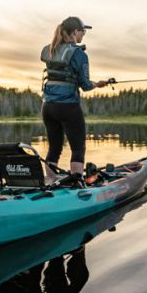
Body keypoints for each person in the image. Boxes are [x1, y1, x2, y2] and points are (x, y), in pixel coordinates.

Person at [40, 16, 109, 184]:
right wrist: (98, 85)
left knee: (54, 147)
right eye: (82, 31)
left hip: (48, 107)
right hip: (68, 107)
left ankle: (49, 180)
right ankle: (77, 184)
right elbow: (85, 85)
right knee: (78, 148)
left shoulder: (50, 49)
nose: (83, 35)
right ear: (75, 32)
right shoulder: (79, 54)